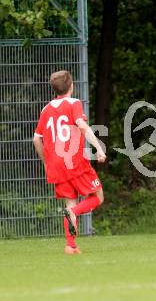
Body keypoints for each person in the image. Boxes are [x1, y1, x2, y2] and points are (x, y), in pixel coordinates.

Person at [33, 70, 106, 254]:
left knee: (70, 204)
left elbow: (36, 139)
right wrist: (98, 148)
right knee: (98, 196)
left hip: (56, 165)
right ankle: (74, 214)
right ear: (71, 86)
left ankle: (70, 245)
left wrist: (46, 163)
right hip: (74, 161)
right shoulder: (74, 103)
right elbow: (82, 126)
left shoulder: (45, 109)